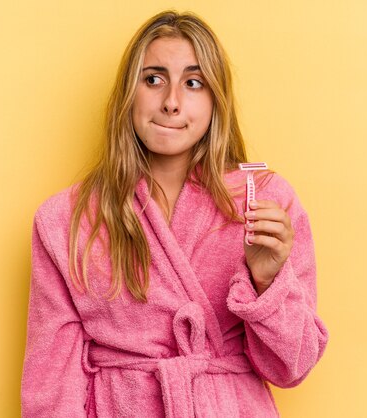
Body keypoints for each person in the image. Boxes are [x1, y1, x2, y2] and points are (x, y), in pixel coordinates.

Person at [21, 10, 328, 418]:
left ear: (216, 99)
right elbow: (51, 382)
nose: (171, 102)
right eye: (153, 79)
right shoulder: (65, 221)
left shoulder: (265, 204)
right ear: (128, 93)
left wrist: (267, 281)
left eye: (193, 82)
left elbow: (293, 366)